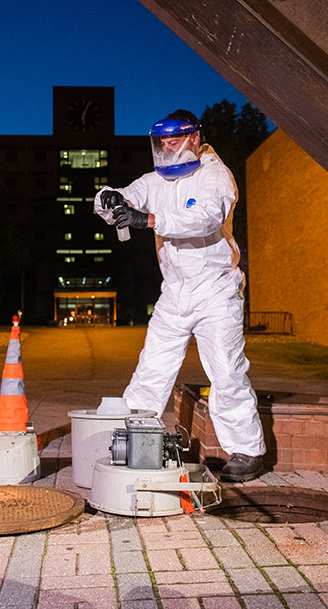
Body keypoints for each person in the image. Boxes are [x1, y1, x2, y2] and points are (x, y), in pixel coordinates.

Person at [93, 109, 266, 482]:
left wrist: (150, 220)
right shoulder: (156, 181)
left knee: (225, 370)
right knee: (152, 367)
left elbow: (204, 217)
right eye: (162, 142)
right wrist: (109, 199)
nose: (168, 147)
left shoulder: (215, 175)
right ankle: (136, 439)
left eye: (174, 140)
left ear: (194, 138)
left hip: (216, 289)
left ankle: (248, 450)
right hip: (173, 292)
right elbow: (128, 195)